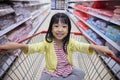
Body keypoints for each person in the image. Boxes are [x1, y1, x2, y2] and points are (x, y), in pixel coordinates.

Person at [0, 13, 114, 80]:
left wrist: (96, 47)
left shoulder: (70, 42)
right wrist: (19, 46)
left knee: (81, 74)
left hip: (67, 68)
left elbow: (82, 46)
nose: (60, 29)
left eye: (64, 26)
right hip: (51, 71)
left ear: (68, 29)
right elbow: (33, 47)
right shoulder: (47, 43)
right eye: (56, 26)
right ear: (51, 28)